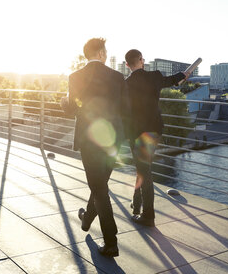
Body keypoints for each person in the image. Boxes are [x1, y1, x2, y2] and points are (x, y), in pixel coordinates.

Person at [61, 38, 129, 257]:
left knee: (99, 187)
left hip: (89, 138)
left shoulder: (75, 77)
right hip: (113, 138)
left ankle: (111, 243)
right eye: (106, 51)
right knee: (100, 184)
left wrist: (64, 100)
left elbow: (70, 109)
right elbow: (126, 108)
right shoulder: (118, 76)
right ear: (100, 53)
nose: (106, 54)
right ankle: (87, 219)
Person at [124, 49, 188, 226]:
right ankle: (137, 205)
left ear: (127, 65)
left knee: (143, 170)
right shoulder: (154, 76)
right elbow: (172, 80)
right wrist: (184, 73)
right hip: (153, 130)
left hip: (135, 132)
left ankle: (148, 215)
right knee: (143, 168)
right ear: (142, 60)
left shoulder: (126, 84)